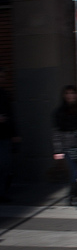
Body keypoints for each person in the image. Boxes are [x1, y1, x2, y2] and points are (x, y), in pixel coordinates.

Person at [52, 85, 77, 209]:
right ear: (64, 95)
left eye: (72, 93)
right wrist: (58, 150)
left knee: (75, 173)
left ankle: (71, 197)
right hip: (67, 146)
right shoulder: (59, 112)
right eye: (68, 93)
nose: (70, 95)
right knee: (75, 172)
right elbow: (57, 132)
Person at [0, 67, 19, 203]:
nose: (2, 79)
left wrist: (15, 134)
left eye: (3, 77)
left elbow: (12, 115)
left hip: (5, 135)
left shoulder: (5, 94)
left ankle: (2, 193)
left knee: (6, 165)